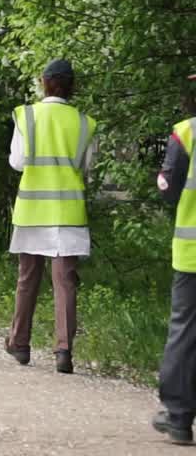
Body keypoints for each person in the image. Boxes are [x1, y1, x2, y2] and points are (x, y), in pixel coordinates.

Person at [3, 59, 96, 375]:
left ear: (44, 82)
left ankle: (19, 343)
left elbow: (17, 162)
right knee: (65, 282)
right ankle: (64, 350)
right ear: (72, 86)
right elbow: (86, 166)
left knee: (27, 278)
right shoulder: (84, 123)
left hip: (32, 209)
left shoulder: (26, 115)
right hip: (68, 212)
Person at [153, 73, 196, 445]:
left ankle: (179, 418)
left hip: (192, 253)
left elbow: (168, 188)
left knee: (185, 331)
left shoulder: (186, 132)